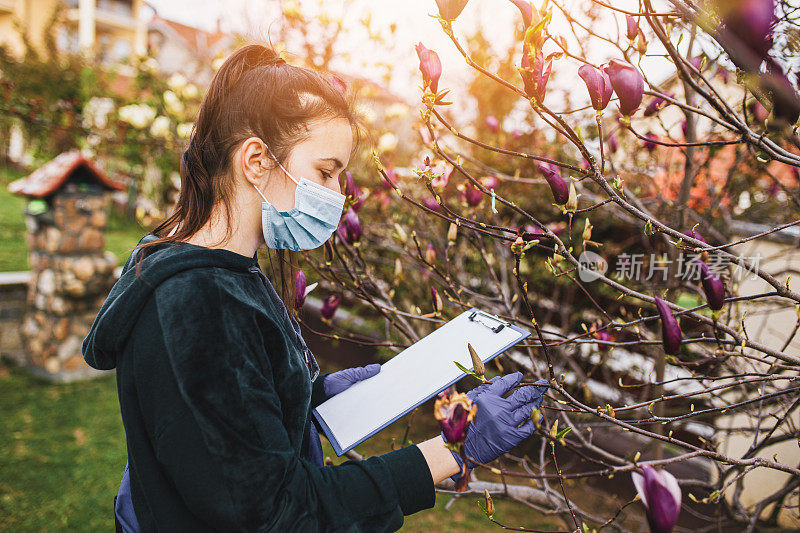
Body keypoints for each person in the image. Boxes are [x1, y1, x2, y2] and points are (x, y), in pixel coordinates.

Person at [82, 44, 547, 532]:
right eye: (326, 172)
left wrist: (313, 397)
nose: (338, 196)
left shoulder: (229, 269)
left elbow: (228, 419)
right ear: (257, 160)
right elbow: (277, 512)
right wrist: (452, 448)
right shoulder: (198, 301)